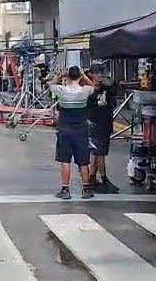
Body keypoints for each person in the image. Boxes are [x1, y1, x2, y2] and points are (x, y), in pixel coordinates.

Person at [48, 66, 96, 199]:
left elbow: (51, 84)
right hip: (81, 131)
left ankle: (65, 190)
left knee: (65, 161)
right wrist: (84, 76)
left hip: (65, 131)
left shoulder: (61, 91)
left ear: (67, 77)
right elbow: (93, 86)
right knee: (83, 162)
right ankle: (86, 189)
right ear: (79, 77)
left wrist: (60, 75)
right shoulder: (85, 91)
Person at [87, 63, 120, 194]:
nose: (100, 75)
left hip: (105, 122)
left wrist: (113, 84)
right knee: (98, 153)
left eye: (101, 72)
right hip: (94, 123)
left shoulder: (106, 88)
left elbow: (115, 92)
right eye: (97, 73)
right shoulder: (88, 89)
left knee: (99, 153)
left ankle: (92, 178)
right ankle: (102, 178)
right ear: (91, 74)